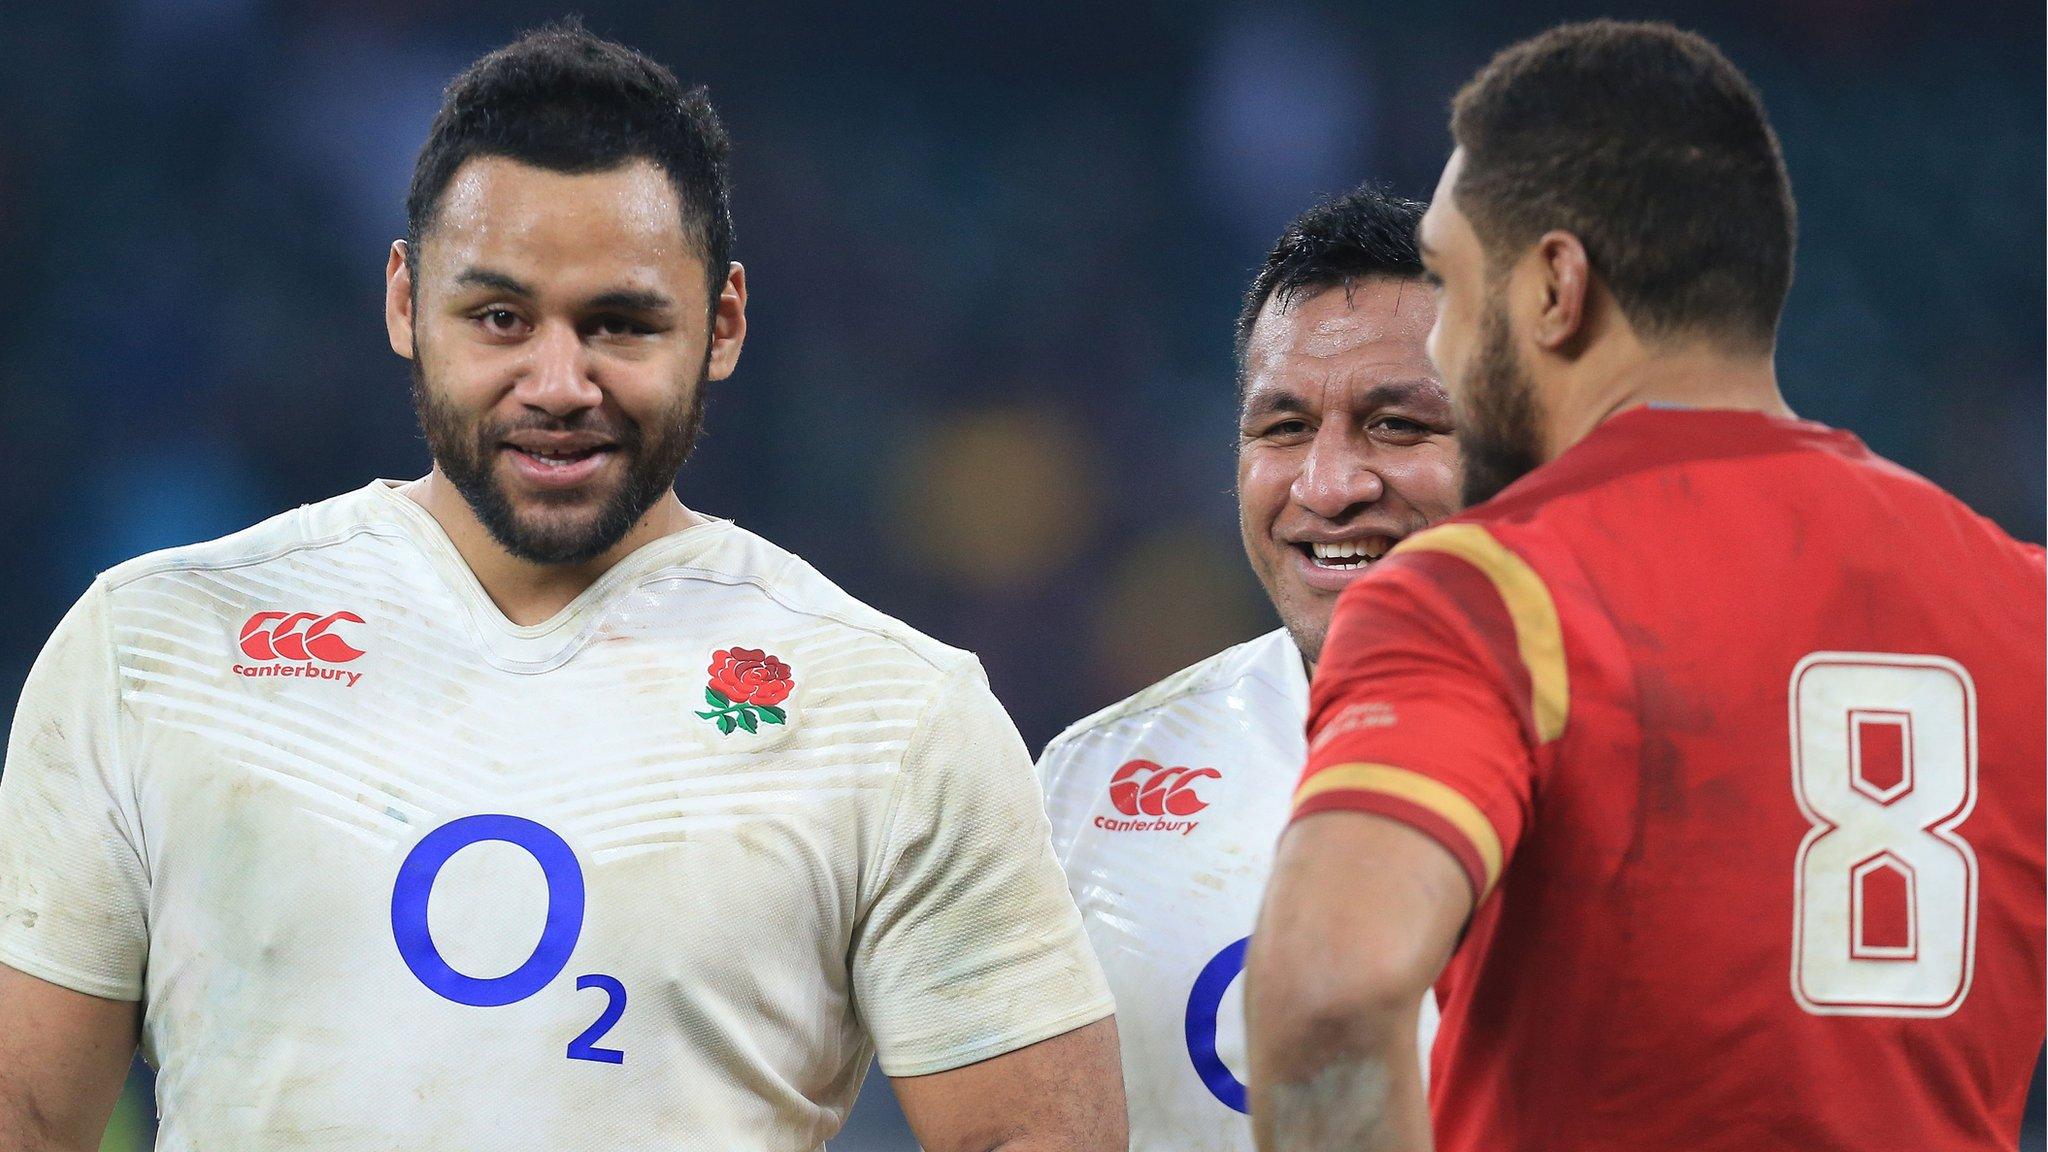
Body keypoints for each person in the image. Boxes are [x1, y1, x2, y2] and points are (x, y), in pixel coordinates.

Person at [0, 24, 1124, 1151]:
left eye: (619, 324)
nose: (558, 382)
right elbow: (29, 1111)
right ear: (403, 302)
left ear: (722, 323)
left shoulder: (891, 711)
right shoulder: (151, 650)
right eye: (499, 317)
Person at [1245, 19, 2045, 1152]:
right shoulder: (2020, 599)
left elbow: (1328, 996)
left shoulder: (1482, 595)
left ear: (1556, 289)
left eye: (1455, 284)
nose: (1439, 348)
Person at [1038, 185, 1458, 1151]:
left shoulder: (1653, 774)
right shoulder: (1087, 785)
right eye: (1283, 428)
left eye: (1398, 424)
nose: (1329, 486)